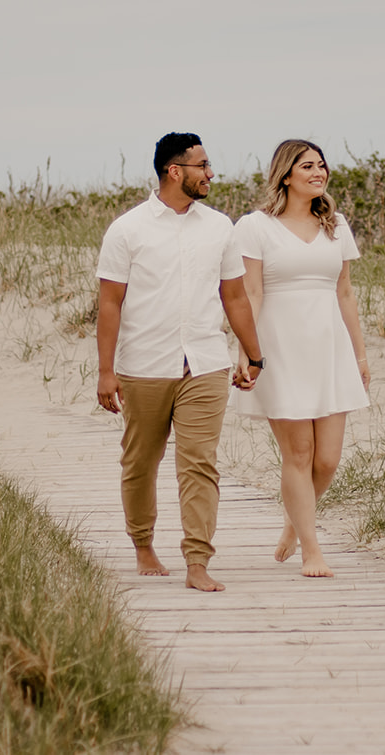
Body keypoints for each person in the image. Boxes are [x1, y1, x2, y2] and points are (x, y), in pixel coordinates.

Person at [96, 132, 266, 592]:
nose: (211, 174)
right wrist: (106, 371)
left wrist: (254, 355)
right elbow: (110, 303)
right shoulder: (127, 229)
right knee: (140, 462)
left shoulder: (219, 227)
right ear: (175, 171)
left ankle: (197, 560)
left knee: (199, 464)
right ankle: (143, 544)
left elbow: (234, 295)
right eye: (203, 166)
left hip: (205, 364)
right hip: (144, 365)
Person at [231, 139, 370, 578]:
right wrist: (246, 353)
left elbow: (344, 292)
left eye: (322, 165)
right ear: (286, 174)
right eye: (307, 166)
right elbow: (249, 294)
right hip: (280, 347)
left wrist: (360, 355)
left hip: (330, 348)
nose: (318, 172)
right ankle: (312, 550)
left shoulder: (336, 224)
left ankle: (294, 521)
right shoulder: (255, 226)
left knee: (327, 459)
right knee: (299, 452)